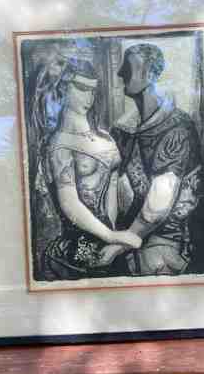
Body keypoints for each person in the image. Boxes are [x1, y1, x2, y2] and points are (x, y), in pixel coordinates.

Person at [98, 43, 204, 275]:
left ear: (149, 74)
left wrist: (119, 245)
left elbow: (158, 205)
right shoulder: (123, 130)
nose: (120, 73)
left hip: (167, 241)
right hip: (127, 233)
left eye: (128, 67)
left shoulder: (178, 129)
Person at [36, 57, 141, 280]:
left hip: (113, 244)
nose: (90, 97)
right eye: (82, 89)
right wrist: (110, 236)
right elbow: (69, 203)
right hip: (77, 248)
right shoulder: (58, 145)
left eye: (93, 90)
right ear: (63, 87)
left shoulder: (106, 139)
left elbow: (117, 193)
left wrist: (116, 238)